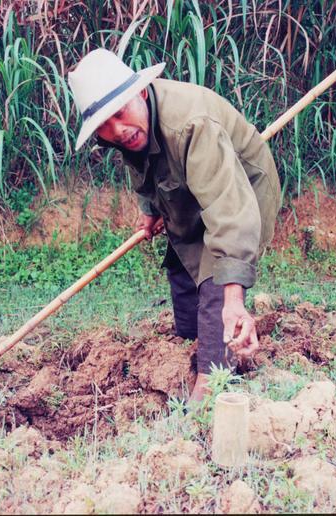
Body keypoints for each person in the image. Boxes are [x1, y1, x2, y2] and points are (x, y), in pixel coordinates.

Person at [68, 49, 281, 402]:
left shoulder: (192, 124)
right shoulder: (131, 130)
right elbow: (142, 167)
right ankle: (190, 340)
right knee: (182, 261)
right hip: (185, 190)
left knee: (216, 277)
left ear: (140, 92)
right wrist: (150, 208)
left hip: (240, 189)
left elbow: (228, 210)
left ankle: (213, 379)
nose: (118, 132)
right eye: (105, 129)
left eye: (119, 115)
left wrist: (232, 297)